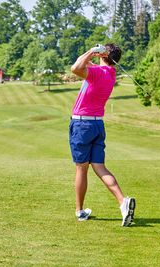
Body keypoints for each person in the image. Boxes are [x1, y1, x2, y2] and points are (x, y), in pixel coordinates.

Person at [69, 43, 135, 226]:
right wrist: (94, 51)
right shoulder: (110, 74)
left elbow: (75, 68)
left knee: (82, 168)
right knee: (99, 167)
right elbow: (80, 63)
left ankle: (80, 211)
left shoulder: (97, 73)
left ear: (103, 55)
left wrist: (92, 51)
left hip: (82, 124)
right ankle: (123, 202)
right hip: (98, 124)